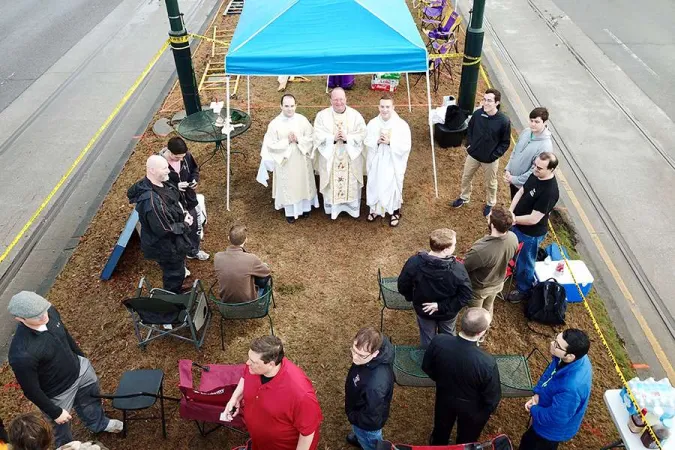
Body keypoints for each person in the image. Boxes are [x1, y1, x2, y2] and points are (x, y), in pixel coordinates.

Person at [7, 292, 123, 447]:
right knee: (60, 430)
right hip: (57, 393)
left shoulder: (49, 311)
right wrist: (56, 412)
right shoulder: (21, 353)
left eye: (44, 310)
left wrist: (82, 359)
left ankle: (98, 423)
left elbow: (65, 336)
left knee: (90, 400)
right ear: (20, 319)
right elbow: (31, 390)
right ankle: (67, 446)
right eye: (36, 316)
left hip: (80, 370)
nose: (43, 317)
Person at [222, 336, 323, 450]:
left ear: (271, 364)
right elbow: (245, 377)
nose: (247, 363)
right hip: (259, 442)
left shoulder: (301, 394)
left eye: (253, 361)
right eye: (249, 358)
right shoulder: (254, 367)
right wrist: (235, 398)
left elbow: (308, 433)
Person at [422, 308, 501, 445]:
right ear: (481, 332)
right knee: (467, 439)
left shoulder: (438, 341)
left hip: (444, 397)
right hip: (473, 408)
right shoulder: (487, 362)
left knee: (441, 430)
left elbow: (427, 367)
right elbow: (492, 397)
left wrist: (441, 381)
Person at [127, 155, 192, 294]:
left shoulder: (161, 183)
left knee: (178, 269)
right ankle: (174, 295)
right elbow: (165, 229)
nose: (168, 171)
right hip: (165, 246)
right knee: (173, 272)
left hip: (172, 241)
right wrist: (185, 224)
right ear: (151, 171)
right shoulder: (151, 202)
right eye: (164, 169)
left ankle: (177, 286)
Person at [398, 229, 472, 347]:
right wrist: (441, 306)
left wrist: (414, 299)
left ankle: (430, 358)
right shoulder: (458, 269)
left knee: (427, 339)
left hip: (424, 310)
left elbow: (402, 286)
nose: (456, 246)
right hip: (448, 313)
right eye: (455, 244)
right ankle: (446, 359)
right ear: (446, 249)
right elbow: (466, 295)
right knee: (448, 337)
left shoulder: (414, 262)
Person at [520, 329, 592, 450]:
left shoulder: (571, 388)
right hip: (546, 413)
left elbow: (555, 419)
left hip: (548, 432)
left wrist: (534, 409)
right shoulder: (571, 358)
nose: (552, 344)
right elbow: (551, 371)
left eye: (557, 345)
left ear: (570, 356)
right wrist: (538, 392)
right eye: (555, 339)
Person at [506, 152, 559, 304]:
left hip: (530, 234)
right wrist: (510, 212)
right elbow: (521, 191)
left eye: (540, 168)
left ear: (552, 170)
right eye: (535, 165)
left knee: (526, 262)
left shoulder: (550, 192)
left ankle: (524, 289)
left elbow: (534, 219)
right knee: (515, 254)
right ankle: (514, 270)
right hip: (516, 223)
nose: (535, 169)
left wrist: (513, 220)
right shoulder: (536, 174)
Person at [257, 94, 318, 223]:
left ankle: (305, 208)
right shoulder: (274, 124)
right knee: (289, 186)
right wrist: (287, 141)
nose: (289, 109)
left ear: (296, 106)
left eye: (292, 106)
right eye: (286, 106)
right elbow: (271, 145)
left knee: (303, 183)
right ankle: (290, 211)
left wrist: (299, 139)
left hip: (301, 159)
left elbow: (311, 137)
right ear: (281, 106)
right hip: (285, 161)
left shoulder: (302, 120)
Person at [451, 88, 511, 217]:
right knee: (466, 177)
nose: (485, 103)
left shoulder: (504, 121)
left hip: (490, 159)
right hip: (473, 155)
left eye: (489, 100)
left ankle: (490, 203)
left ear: (497, 103)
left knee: (491, 183)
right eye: (484, 99)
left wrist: (494, 155)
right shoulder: (478, 114)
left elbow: (505, 143)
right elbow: (470, 130)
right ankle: (464, 197)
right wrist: (469, 145)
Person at [313, 87, 367, 219]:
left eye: (341, 99)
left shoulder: (355, 115)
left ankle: (352, 208)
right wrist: (332, 138)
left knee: (351, 181)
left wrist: (348, 138)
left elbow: (363, 134)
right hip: (331, 156)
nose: (339, 102)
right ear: (330, 100)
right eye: (335, 99)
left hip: (350, 157)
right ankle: (334, 209)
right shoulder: (322, 115)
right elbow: (317, 135)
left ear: (346, 99)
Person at [462, 205, 519, 321]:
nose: (487, 217)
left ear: (492, 225)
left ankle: (476, 334)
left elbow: (464, 267)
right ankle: (484, 329)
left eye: (489, 217)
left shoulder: (481, 250)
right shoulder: (513, 238)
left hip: (479, 288)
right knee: (488, 307)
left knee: (475, 316)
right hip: (498, 282)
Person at [364, 95, 412, 227]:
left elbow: (406, 145)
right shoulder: (373, 123)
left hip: (392, 162)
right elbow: (366, 141)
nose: (384, 110)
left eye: (387, 107)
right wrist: (376, 141)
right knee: (375, 183)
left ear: (393, 107)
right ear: (378, 107)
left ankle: (394, 211)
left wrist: (391, 143)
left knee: (392, 185)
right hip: (377, 161)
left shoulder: (401, 125)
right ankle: (374, 209)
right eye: (382, 106)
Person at [159, 136, 209, 260]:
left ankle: (194, 251)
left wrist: (194, 180)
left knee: (195, 226)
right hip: (175, 206)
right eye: (177, 157)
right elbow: (158, 187)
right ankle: (181, 257)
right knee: (180, 232)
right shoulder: (159, 164)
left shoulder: (186, 156)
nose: (181, 159)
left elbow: (194, 169)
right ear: (169, 151)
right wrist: (175, 187)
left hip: (190, 199)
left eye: (182, 156)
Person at [345, 327, 394, 450]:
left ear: (375, 353)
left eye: (360, 355)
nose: (354, 357)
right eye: (354, 350)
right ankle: (359, 438)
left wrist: (353, 416)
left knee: (371, 444)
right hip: (358, 408)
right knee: (361, 435)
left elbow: (370, 417)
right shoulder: (369, 354)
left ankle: (365, 442)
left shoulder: (375, 386)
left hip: (366, 426)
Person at [214, 225, 271, 303]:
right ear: (246, 240)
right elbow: (266, 272)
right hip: (248, 303)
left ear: (228, 238)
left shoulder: (217, 257)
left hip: (226, 302)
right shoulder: (251, 258)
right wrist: (264, 265)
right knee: (265, 277)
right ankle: (261, 301)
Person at [504, 107, 552, 199]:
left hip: (525, 188)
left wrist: (514, 179)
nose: (533, 124)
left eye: (537, 122)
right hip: (513, 181)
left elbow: (534, 171)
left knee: (518, 211)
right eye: (531, 120)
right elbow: (515, 151)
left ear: (545, 123)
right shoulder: (526, 132)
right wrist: (508, 169)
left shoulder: (545, 146)